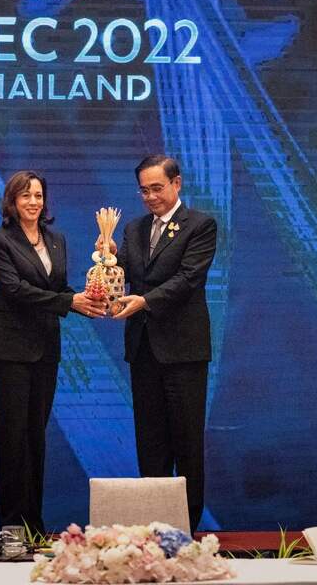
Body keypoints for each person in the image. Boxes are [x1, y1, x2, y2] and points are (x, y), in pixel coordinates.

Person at [0, 170, 107, 531]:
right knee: (13, 436)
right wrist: (70, 302)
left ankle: (33, 523)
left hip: (45, 347)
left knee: (36, 435)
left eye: (38, 195)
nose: (33, 202)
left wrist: (94, 291)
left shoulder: (57, 239)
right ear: (12, 201)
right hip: (8, 348)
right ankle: (11, 524)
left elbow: (59, 287)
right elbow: (14, 290)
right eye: (25, 196)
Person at [113, 154, 217, 531]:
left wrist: (146, 301)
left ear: (177, 184)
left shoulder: (200, 225)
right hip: (143, 349)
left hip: (184, 351)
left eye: (157, 188)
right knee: (151, 441)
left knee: (186, 442)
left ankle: (185, 530)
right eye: (144, 190)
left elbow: (189, 279)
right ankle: (151, 528)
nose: (150, 196)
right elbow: (124, 271)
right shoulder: (134, 229)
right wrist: (107, 260)